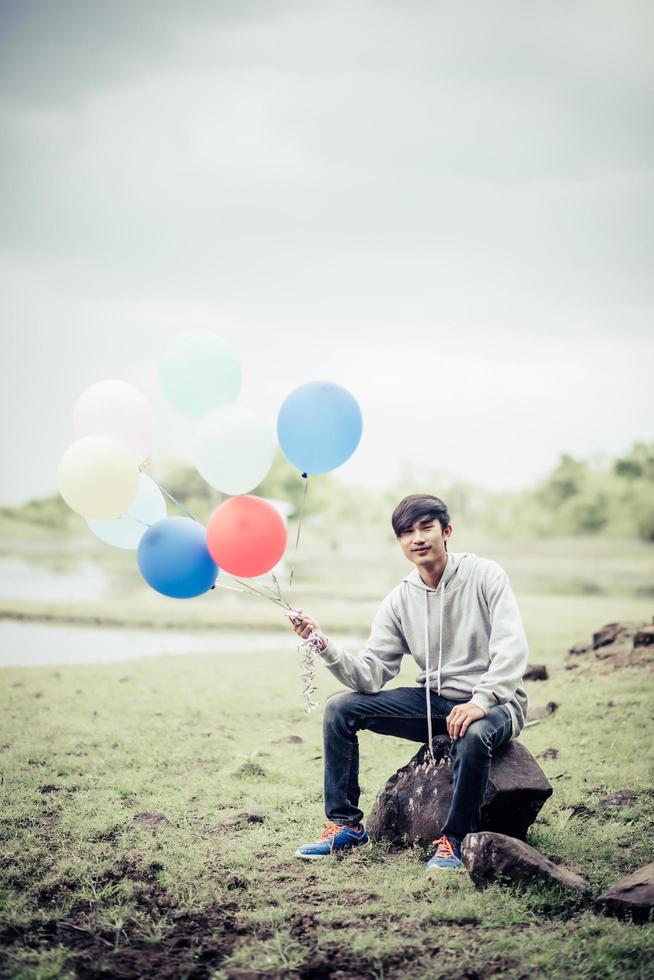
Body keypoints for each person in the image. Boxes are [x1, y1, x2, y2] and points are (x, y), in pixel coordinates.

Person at [287, 493, 529, 871]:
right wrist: (321, 643)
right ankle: (345, 824)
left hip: (496, 704)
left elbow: (512, 648)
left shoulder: (486, 576)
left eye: (426, 527)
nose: (417, 538)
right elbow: (369, 675)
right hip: (436, 703)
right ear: (399, 542)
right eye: (406, 532)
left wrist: (482, 701)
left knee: (474, 733)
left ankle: (455, 840)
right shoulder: (399, 600)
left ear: (446, 531)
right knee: (340, 709)